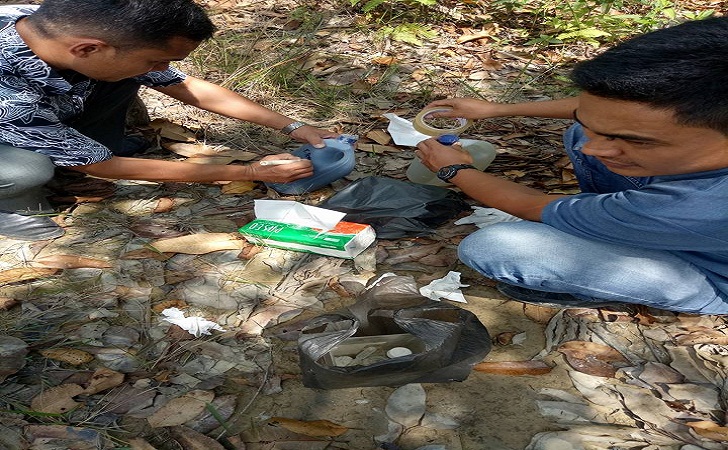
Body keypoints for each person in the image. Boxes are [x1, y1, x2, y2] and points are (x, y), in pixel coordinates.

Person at [415, 17, 728, 315]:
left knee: (496, 248)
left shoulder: (701, 206)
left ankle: (619, 250)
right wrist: (497, 109)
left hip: (711, 273)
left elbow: (532, 205)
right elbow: (605, 112)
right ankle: (612, 218)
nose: (591, 148)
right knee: (584, 131)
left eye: (638, 141)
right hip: (689, 222)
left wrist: (454, 169)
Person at [0, 0, 336, 241]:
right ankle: (10, 208)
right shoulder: (9, 86)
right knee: (28, 172)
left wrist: (292, 125)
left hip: (38, 114)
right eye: (157, 59)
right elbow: (104, 166)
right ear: (87, 49)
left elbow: (184, 85)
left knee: (126, 75)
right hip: (13, 122)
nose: (163, 68)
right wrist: (248, 172)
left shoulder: (53, 26)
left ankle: (67, 144)